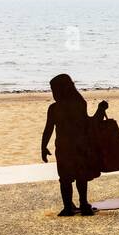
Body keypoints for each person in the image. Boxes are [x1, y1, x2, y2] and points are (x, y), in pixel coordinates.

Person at [41, 73, 108, 216]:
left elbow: (48, 129)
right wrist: (101, 110)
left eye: (54, 90)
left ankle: (67, 207)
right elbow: (90, 124)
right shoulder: (78, 104)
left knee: (65, 179)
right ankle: (83, 204)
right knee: (81, 177)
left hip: (63, 149)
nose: (53, 94)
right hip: (79, 147)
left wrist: (43, 146)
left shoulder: (54, 108)